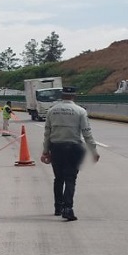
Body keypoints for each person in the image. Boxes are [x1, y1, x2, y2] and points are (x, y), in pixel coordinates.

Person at [41, 87, 100, 221]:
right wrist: (93, 151)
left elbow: (47, 134)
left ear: (62, 96)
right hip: (73, 148)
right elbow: (87, 133)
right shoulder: (80, 111)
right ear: (74, 96)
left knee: (58, 179)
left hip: (56, 148)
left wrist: (45, 151)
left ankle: (58, 207)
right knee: (70, 179)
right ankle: (68, 208)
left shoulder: (51, 111)